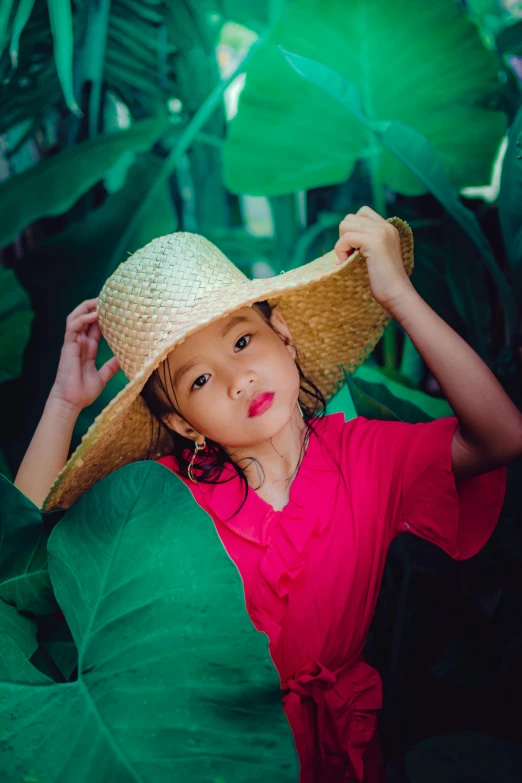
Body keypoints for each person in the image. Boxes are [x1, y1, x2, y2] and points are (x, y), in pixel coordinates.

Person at [15, 206, 516, 782]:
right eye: (199, 380)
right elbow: (20, 553)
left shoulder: (366, 456)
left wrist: (399, 296)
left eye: (243, 340)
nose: (237, 379)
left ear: (284, 335)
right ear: (182, 424)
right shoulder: (161, 499)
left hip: (346, 746)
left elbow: (501, 436)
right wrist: (62, 406)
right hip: (217, 753)